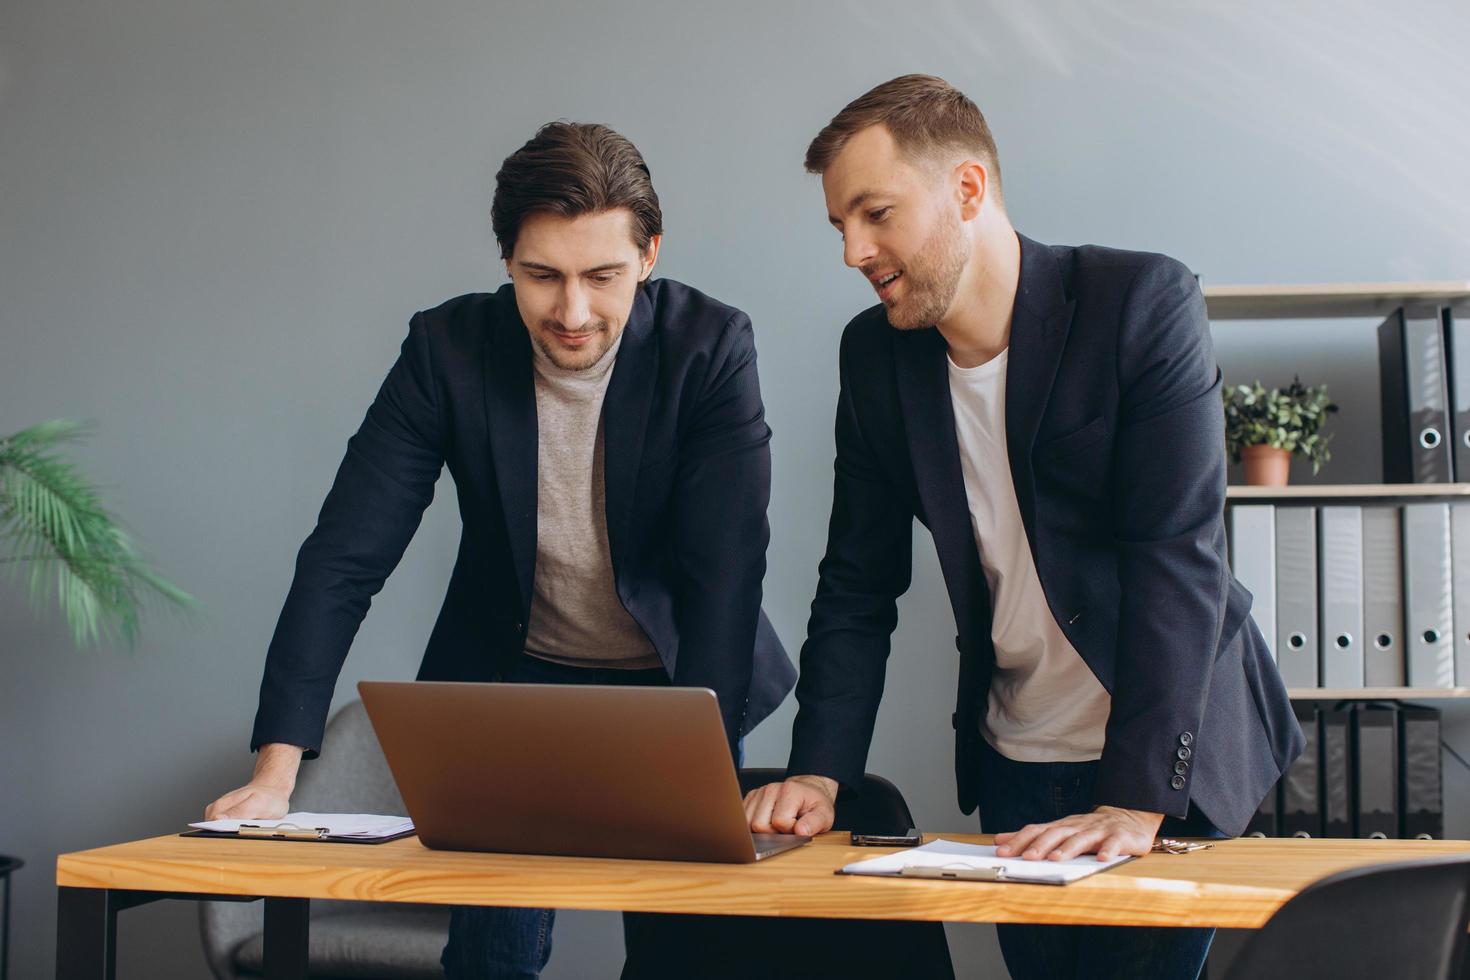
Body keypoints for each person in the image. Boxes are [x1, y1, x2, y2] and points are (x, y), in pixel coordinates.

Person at [204, 120, 795, 980]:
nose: (573, 312)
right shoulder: (446, 351)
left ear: (650, 254)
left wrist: (701, 754)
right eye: (541, 276)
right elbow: (343, 558)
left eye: (603, 276)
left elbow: (727, 572)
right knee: (489, 955)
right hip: (515, 678)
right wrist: (275, 773)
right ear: (506, 261)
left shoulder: (710, 346)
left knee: (689, 952)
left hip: (680, 678)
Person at [744, 74, 1304, 980]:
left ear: (968, 190)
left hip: (1163, 756)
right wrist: (818, 772)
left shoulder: (1138, 304)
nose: (854, 249)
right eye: (840, 225)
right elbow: (857, 581)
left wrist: (1131, 801)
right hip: (1014, 758)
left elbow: (1178, 560)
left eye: (875, 213)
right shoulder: (875, 357)